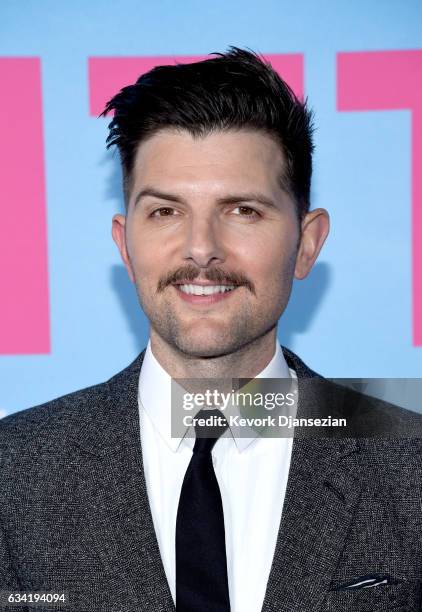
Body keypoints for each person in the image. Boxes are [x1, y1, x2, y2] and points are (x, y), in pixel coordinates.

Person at [1, 47, 422, 612]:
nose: (201, 249)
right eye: (165, 212)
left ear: (308, 243)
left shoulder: (407, 462)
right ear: (125, 246)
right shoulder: (14, 472)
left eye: (242, 210)